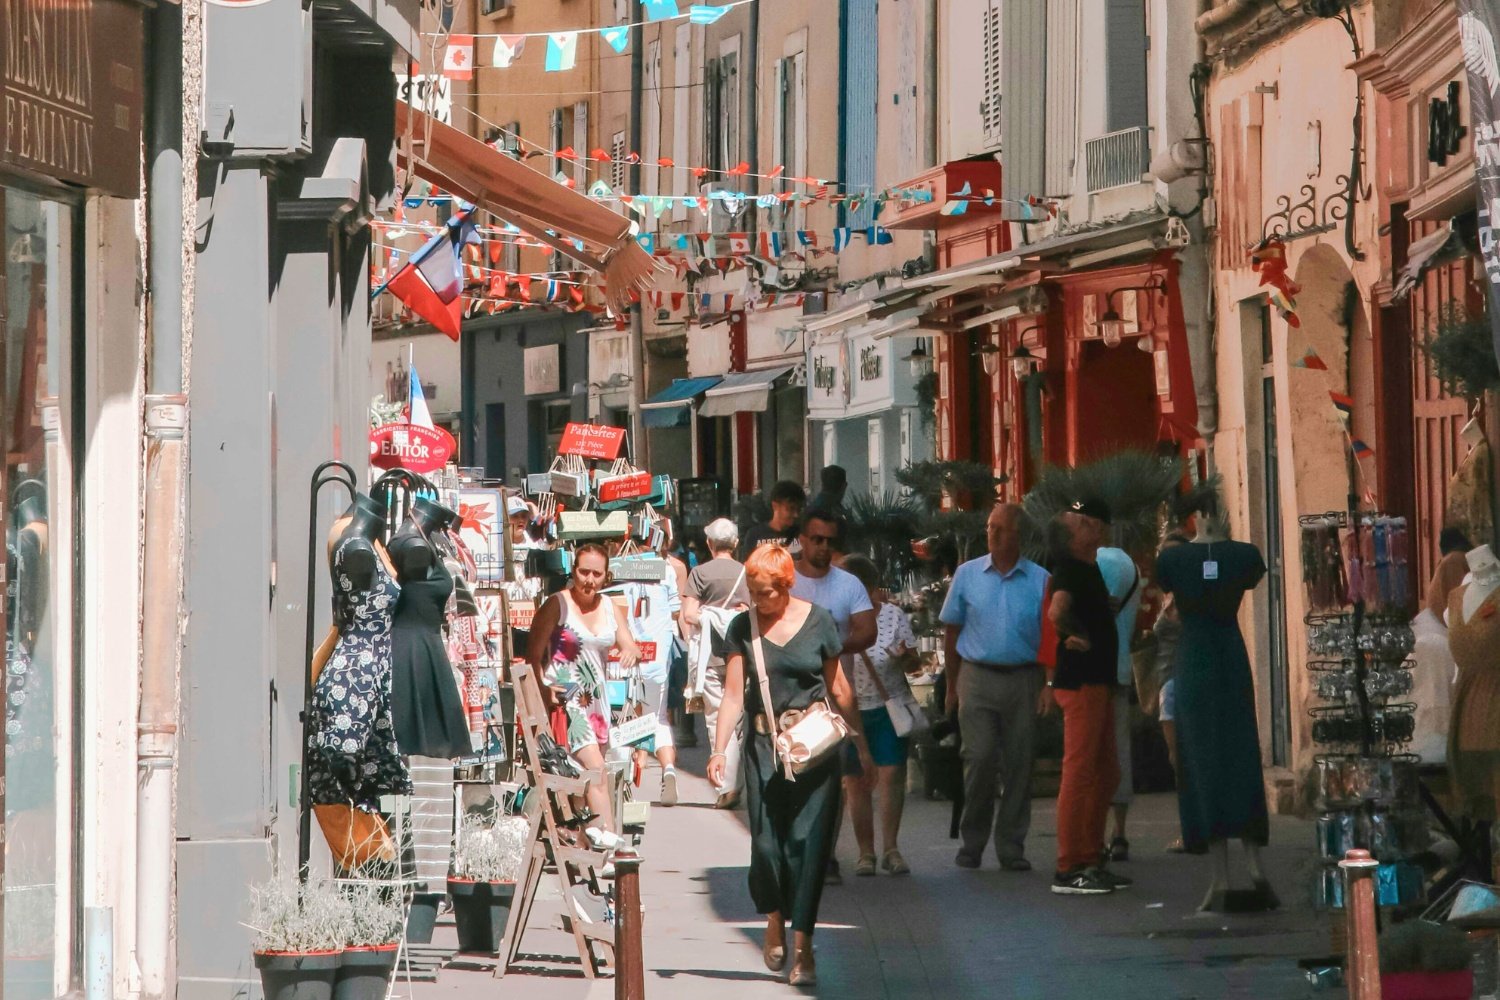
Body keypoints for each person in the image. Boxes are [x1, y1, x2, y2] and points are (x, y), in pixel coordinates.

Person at [706, 544, 875, 988]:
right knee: (765, 847)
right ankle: (774, 917)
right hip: (764, 750)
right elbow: (730, 695)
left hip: (814, 751)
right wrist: (719, 750)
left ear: (787, 586)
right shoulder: (743, 627)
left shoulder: (819, 621)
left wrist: (861, 747)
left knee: (808, 850)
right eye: (754, 593)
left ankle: (803, 950)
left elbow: (839, 688)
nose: (760, 602)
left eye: (767, 594)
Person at [1156, 502, 1273, 911]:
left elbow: (1168, 604)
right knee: (1240, 752)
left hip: (1195, 659)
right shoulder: (1244, 556)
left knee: (1203, 759)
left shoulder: (1172, 559)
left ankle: (1221, 876)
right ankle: (1253, 864)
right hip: (1229, 654)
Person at [940, 503, 1050, 871]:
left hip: (1024, 678)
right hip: (977, 675)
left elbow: (1052, 636)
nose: (992, 535)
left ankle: (1012, 846)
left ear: (1017, 536)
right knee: (980, 758)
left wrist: (1048, 683)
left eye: (1000, 529)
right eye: (990, 527)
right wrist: (952, 687)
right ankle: (972, 842)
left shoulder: (1039, 579)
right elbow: (951, 630)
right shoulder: (967, 575)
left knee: (1020, 763)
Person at [1046, 500, 1131, 896]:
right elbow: (1057, 611)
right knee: (1080, 772)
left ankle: (1091, 856)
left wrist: (1099, 611)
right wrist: (1075, 632)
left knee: (1106, 771)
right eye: (1082, 523)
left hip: (1096, 680)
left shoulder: (1088, 569)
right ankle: (1069, 865)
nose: (1091, 525)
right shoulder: (1070, 571)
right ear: (1071, 540)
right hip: (1081, 682)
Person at [527, 543, 641, 836]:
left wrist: (629, 651)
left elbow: (628, 642)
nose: (589, 580)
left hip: (598, 703)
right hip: (567, 702)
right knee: (597, 771)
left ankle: (582, 842)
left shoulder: (609, 607)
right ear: (573, 571)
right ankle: (610, 844)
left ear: (606, 576)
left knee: (583, 779)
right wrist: (544, 691)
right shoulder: (557, 604)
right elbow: (534, 656)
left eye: (596, 574)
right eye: (583, 571)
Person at [791, 507, 877, 883]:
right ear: (802, 540)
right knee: (792, 778)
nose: (823, 547)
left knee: (831, 780)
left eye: (830, 541)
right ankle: (797, 852)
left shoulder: (848, 585)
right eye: (816, 539)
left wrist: (830, 646)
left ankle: (824, 856)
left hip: (833, 696)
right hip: (788, 697)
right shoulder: (786, 580)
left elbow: (867, 631)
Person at [840, 554, 918, 876]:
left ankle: (891, 848)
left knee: (891, 776)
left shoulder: (893, 616)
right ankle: (865, 853)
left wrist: (903, 658)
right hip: (850, 710)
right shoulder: (837, 619)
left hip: (888, 707)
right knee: (856, 782)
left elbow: (914, 663)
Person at [684, 518, 752, 808]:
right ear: (735, 544)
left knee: (716, 716)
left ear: (709, 544)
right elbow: (754, 610)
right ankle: (735, 781)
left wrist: (710, 616)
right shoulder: (746, 573)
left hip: (711, 653)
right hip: (741, 652)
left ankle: (727, 785)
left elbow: (689, 614)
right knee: (739, 716)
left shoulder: (699, 573)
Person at [615, 539, 684, 806]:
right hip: (657, 656)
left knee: (624, 717)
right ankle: (668, 770)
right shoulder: (665, 569)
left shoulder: (617, 568)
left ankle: (625, 781)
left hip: (624, 654)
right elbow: (677, 612)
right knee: (658, 718)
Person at [1094, 543, 1143, 862]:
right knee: (1119, 751)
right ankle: (1119, 832)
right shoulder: (1131, 566)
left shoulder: (1096, 563)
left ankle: (1095, 835)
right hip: (1120, 668)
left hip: (1093, 669)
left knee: (1092, 754)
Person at [1153, 532, 1190, 852]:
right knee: (1177, 759)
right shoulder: (1170, 594)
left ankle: (1192, 829)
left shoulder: (1186, 595)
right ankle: (1190, 827)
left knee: (1183, 759)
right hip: (1169, 683)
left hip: (1181, 682)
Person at [739, 480, 806, 559]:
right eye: (791, 509)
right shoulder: (755, 535)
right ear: (775, 506)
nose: (796, 515)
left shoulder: (800, 535)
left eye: (798, 509)